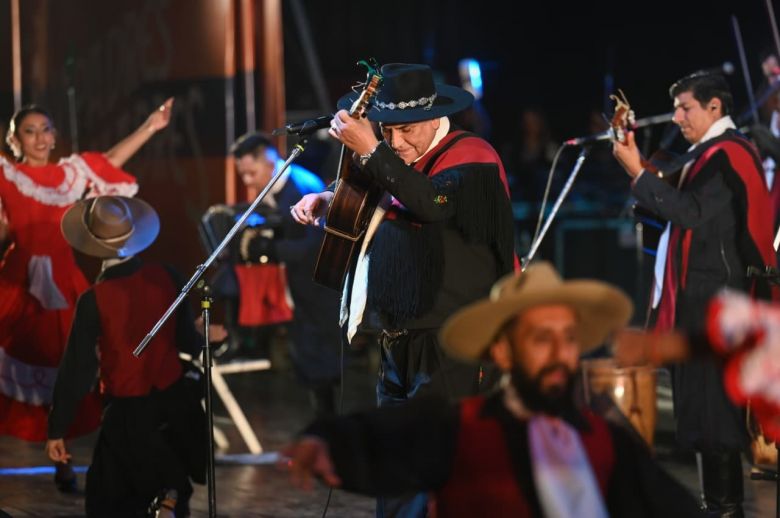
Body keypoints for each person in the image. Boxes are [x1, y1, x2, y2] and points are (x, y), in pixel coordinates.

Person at [284, 262, 703, 517]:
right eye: (541, 339)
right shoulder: (458, 429)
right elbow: (375, 436)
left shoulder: (605, 440)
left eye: (569, 338)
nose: (560, 354)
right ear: (502, 351)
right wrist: (324, 440)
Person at [291, 63, 515, 516]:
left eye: (406, 129)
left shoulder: (473, 155)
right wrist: (327, 198)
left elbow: (429, 201)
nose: (396, 142)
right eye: (387, 131)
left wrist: (371, 149)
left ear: (435, 119)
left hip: (453, 341)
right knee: (393, 459)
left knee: (440, 462)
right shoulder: (396, 159)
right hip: (398, 339)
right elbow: (376, 190)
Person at [613, 71, 778, 516]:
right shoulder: (707, 154)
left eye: (685, 108)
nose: (677, 117)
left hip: (716, 302)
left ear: (714, 107)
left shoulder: (729, 154)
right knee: (704, 417)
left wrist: (637, 172)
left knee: (714, 418)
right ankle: (717, 507)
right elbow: (673, 206)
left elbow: (689, 212)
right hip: (702, 299)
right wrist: (639, 167)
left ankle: (724, 509)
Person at [0, 100, 173, 487]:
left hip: (64, 283)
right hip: (17, 282)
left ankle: (62, 458)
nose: (40, 138)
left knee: (70, 369)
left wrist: (149, 126)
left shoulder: (70, 174)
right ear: (15, 139)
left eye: (45, 129)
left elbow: (110, 160)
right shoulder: (7, 174)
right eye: (30, 131)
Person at [45, 196, 206, 517]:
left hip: (128, 413)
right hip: (175, 404)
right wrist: (204, 334)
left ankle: (166, 497)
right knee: (163, 483)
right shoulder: (168, 275)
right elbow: (189, 342)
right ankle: (169, 497)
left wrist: (57, 429)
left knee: (107, 502)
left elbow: (78, 369)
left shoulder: (93, 299)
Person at [226, 132, 342, 415]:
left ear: (269, 161)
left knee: (322, 361)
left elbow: (316, 244)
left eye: (251, 173)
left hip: (318, 288)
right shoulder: (277, 185)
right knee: (307, 358)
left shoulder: (302, 187)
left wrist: (271, 249)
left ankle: (329, 424)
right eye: (243, 175)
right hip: (299, 288)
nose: (247, 181)